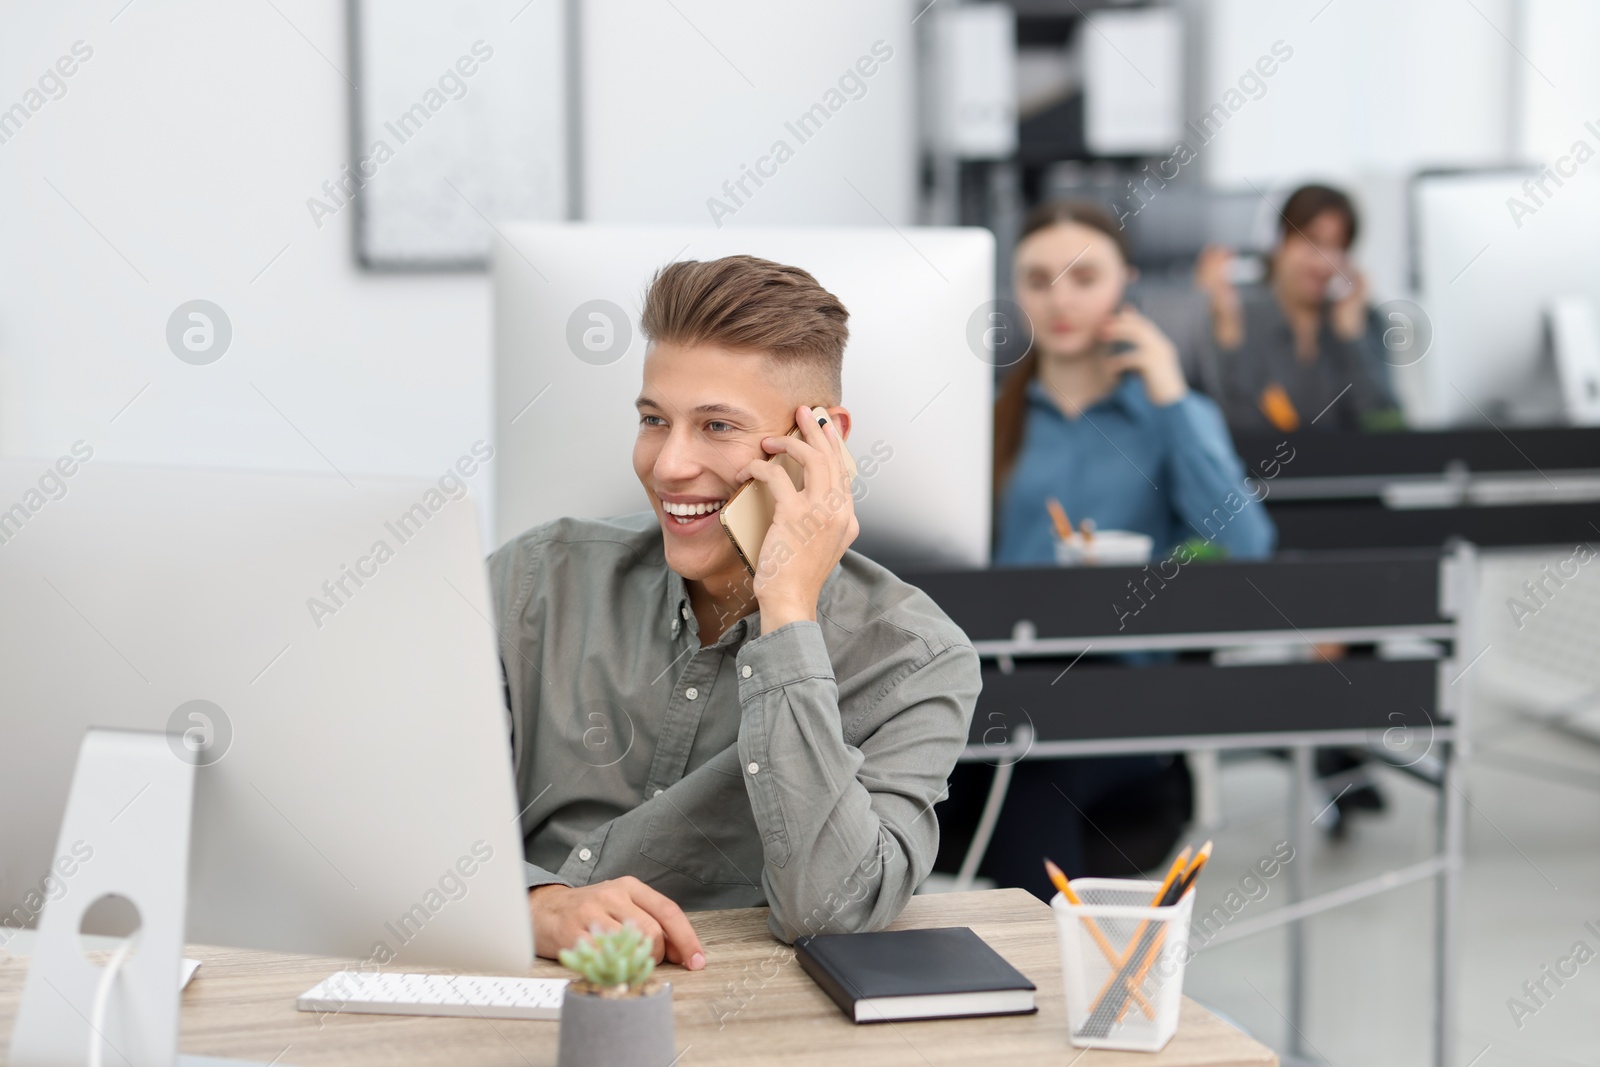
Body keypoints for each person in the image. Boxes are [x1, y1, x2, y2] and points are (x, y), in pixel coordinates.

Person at [491, 255, 982, 968]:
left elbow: (830, 913)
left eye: (716, 425)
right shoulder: (536, 580)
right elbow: (403, 810)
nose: (668, 465)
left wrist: (787, 610)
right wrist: (533, 902)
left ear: (821, 439)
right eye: (655, 419)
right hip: (509, 997)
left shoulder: (914, 659)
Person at [937, 200, 1275, 901]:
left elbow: (1248, 545)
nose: (1058, 298)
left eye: (1083, 276)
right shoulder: (979, 415)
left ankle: (1035, 991)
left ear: (1125, 285)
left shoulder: (1167, 415)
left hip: (1122, 698)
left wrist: (1171, 392)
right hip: (991, 684)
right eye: (1036, 278)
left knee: (1034, 771)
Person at [1194, 183, 1403, 433]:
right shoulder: (1241, 317)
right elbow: (1234, 430)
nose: (1323, 262)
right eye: (1312, 241)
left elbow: (1387, 425)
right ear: (1280, 242)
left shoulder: (1364, 320)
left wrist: (1352, 339)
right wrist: (1228, 342)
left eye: (1337, 246)